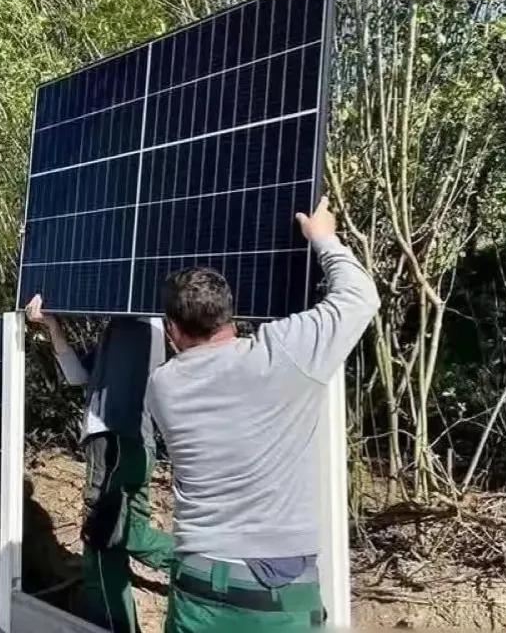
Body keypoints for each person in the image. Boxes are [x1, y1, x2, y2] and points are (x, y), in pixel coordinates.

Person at [147, 197, 379, 632]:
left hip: (198, 582)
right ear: (228, 315)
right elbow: (360, 297)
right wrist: (323, 237)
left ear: (172, 329)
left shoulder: (164, 386)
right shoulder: (283, 356)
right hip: (274, 590)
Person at [25, 295, 174, 633]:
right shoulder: (120, 324)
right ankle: (207, 565)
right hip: (126, 444)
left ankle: (108, 625)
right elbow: (78, 377)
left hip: (115, 442)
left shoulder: (141, 323)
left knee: (100, 542)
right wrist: (53, 327)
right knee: (133, 535)